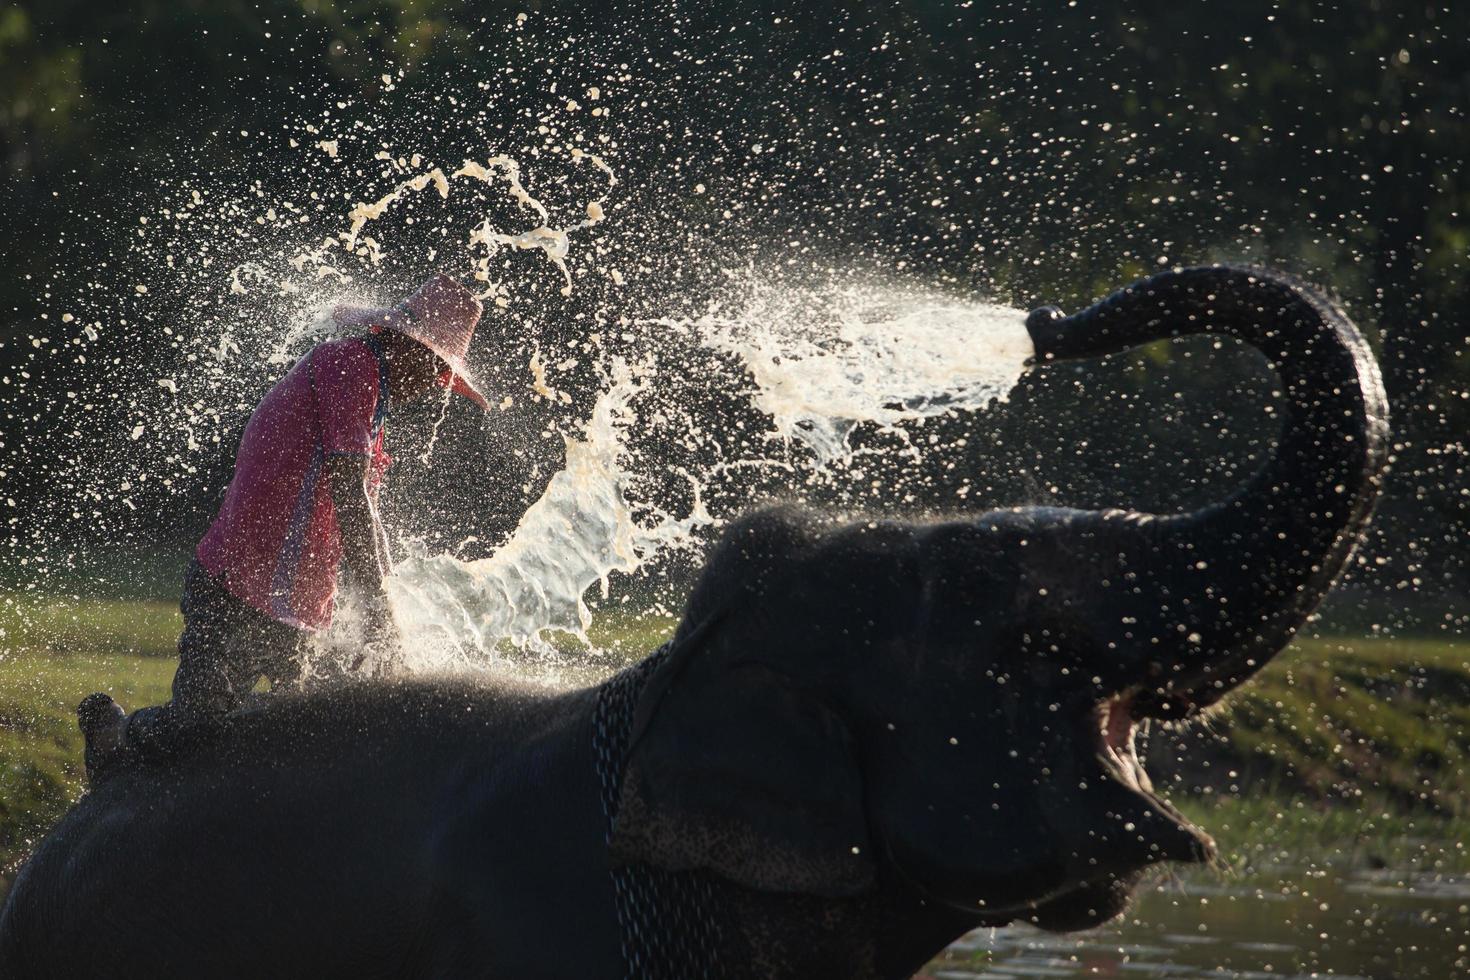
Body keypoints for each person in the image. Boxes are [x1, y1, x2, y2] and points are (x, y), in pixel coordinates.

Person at [80, 274, 491, 777]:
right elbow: (349, 496)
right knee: (196, 725)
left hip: (294, 608)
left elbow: (361, 522)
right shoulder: (350, 365)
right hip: (233, 587)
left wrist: (381, 610)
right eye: (434, 371)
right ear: (408, 349)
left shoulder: (370, 400)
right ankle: (113, 734)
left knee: (310, 730)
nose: (432, 386)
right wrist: (380, 612)